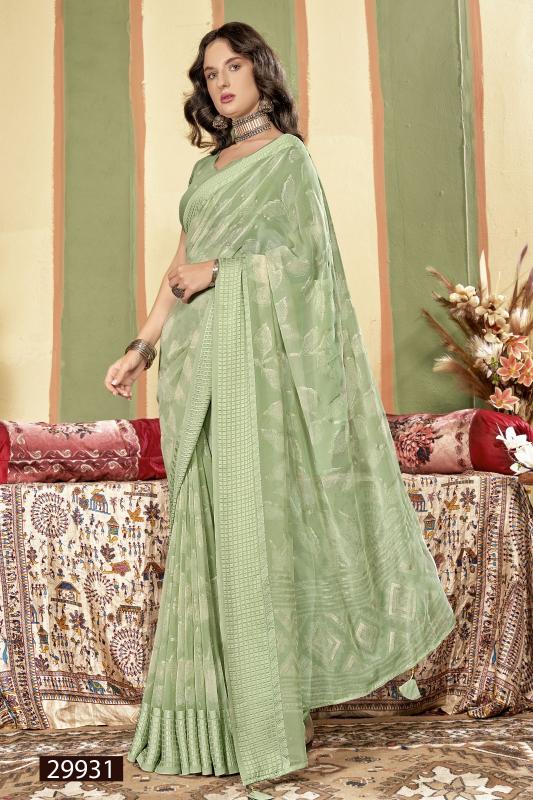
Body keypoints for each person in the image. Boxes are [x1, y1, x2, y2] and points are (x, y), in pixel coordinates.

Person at [104, 20, 456, 795]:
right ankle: (209, 723)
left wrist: (224, 271)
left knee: (253, 533)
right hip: (195, 368)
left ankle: (268, 718)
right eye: (210, 73)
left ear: (260, 73)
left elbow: (307, 268)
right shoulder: (205, 173)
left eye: (233, 66)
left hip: (253, 374)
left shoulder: (288, 161)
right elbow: (177, 266)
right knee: (205, 536)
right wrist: (142, 346)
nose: (222, 81)